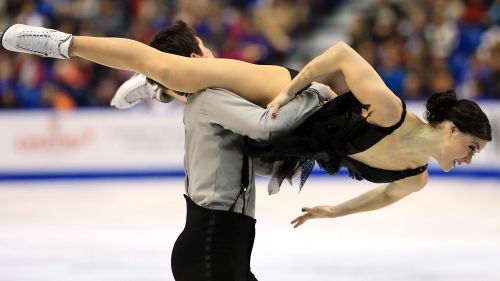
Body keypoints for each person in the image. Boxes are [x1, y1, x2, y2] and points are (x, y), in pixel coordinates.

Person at [1, 23, 492, 229]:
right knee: (180, 69)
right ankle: (57, 43)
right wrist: (289, 88)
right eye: (470, 148)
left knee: (207, 109)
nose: (468, 160)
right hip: (290, 97)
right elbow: (341, 53)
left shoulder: (417, 178)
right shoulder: (388, 110)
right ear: (450, 129)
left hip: (289, 144)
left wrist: (330, 212)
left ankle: (160, 91)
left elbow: (382, 196)